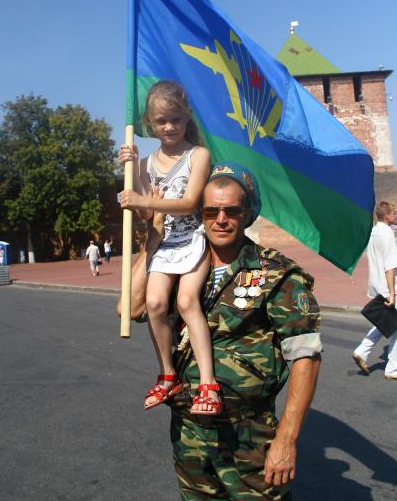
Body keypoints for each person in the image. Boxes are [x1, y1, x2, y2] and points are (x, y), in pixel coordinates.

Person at [127, 162, 322, 499]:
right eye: (210, 211)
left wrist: (287, 439)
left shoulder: (276, 273)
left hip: (249, 436)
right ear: (198, 214)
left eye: (232, 210)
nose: (220, 219)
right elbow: (132, 307)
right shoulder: (178, 268)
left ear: (248, 214)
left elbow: (306, 356)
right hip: (189, 432)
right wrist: (156, 235)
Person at [119, 80, 220, 414]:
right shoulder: (147, 163)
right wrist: (131, 174)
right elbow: (148, 213)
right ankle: (168, 374)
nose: (169, 127)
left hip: (193, 239)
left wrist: (143, 199)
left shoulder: (198, 155)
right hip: (163, 244)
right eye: (161, 121)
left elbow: (190, 202)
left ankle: (208, 383)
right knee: (154, 302)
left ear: (187, 116)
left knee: (188, 300)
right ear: (150, 122)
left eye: (175, 119)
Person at [353, 201, 397, 380]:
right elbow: (390, 266)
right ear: (386, 216)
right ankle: (394, 368)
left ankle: (362, 351)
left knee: (385, 321)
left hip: (376, 284)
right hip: (390, 286)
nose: (395, 216)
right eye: (394, 213)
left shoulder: (373, 232)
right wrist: (393, 294)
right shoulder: (387, 234)